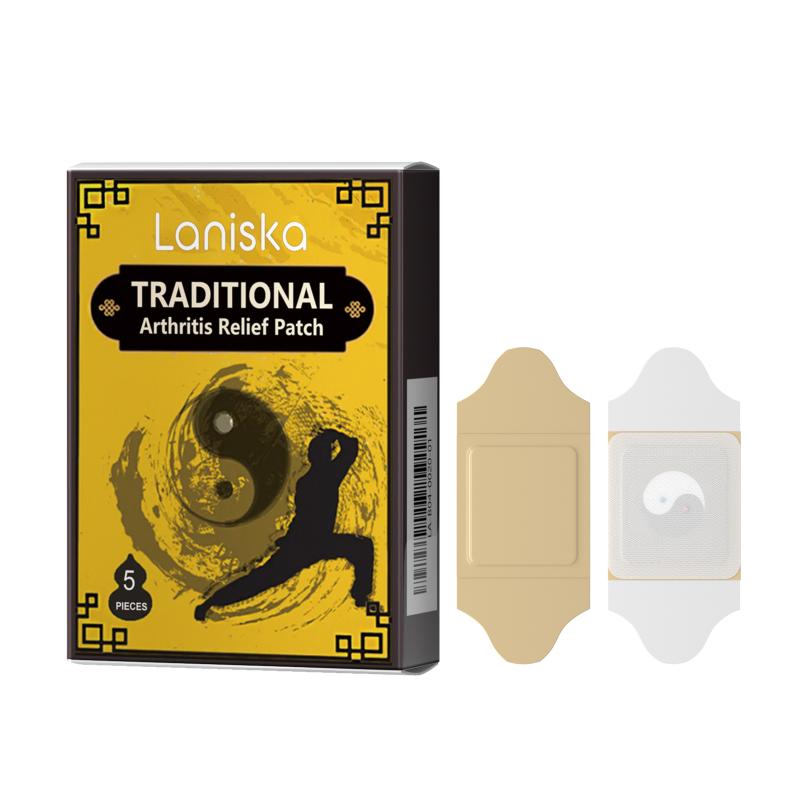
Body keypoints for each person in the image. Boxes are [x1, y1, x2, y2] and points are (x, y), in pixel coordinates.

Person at [195, 428, 373, 621]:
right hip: (310, 543)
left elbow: (304, 515)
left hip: (308, 541)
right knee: (262, 579)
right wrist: (334, 434)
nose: (329, 456)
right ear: (323, 456)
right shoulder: (328, 475)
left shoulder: (307, 481)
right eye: (327, 452)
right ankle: (360, 594)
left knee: (261, 579)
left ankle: (211, 602)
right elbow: (351, 447)